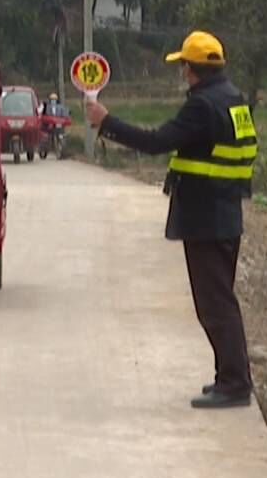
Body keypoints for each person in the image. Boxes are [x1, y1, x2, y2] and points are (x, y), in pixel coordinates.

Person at [84, 31, 258, 409]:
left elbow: (156, 141)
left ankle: (235, 383)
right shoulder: (234, 99)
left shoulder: (202, 106)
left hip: (206, 216)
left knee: (215, 304)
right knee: (220, 300)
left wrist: (106, 121)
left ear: (190, 69)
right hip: (226, 211)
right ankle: (228, 376)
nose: (182, 72)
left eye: (183, 65)